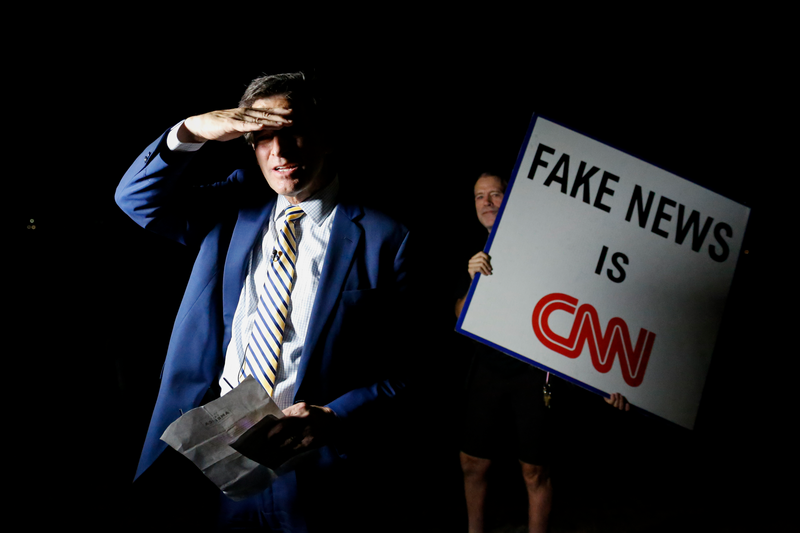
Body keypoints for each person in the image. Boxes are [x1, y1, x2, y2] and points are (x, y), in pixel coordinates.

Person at [116, 72, 411, 532]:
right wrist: (190, 130)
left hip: (316, 464)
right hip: (215, 455)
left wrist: (335, 417)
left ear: (326, 137)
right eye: (262, 137)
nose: (280, 151)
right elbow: (137, 199)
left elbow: (416, 366)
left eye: (292, 130)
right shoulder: (233, 208)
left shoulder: (387, 236)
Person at [455, 172, 628, 533]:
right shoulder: (471, 251)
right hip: (487, 367)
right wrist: (475, 282)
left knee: (535, 469)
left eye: (496, 194)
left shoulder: (547, 246)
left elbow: (587, 316)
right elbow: (458, 314)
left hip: (536, 374)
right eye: (479, 196)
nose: (487, 202)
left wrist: (612, 379)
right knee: (472, 461)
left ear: (512, 198)